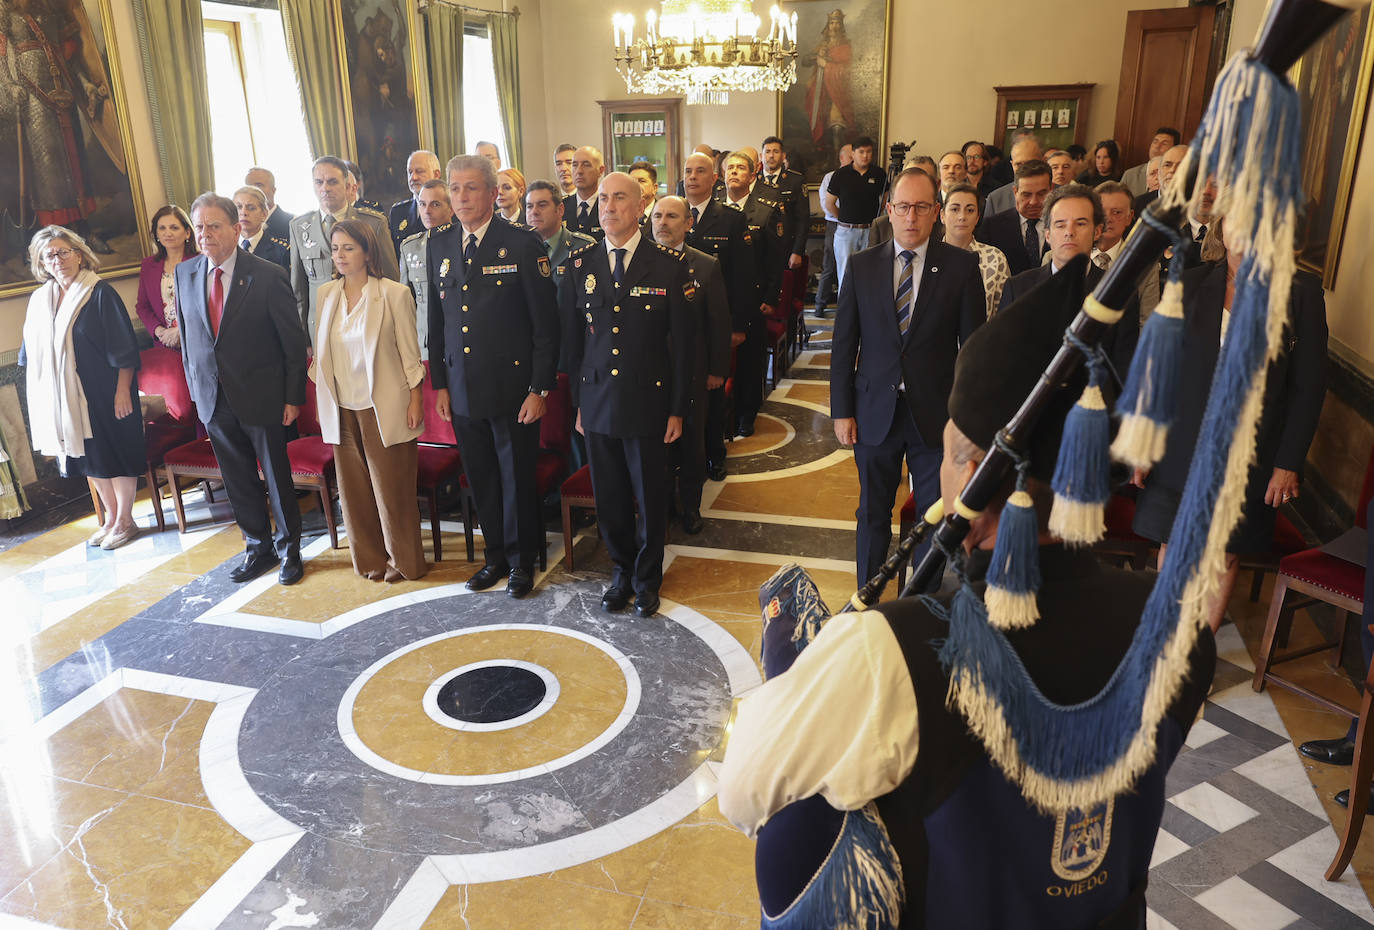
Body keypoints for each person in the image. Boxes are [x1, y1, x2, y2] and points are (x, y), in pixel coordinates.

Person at [719, 261, 1217, 927]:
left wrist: (794, 670)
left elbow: (745, 795)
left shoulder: (892, 650)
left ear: (976, 480)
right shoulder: (1182, 623)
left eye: (951, 456)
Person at [1133, 219, 1327, 633]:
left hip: (1251, 451)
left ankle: (1196, 656)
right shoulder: (1188, 284)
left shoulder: (1300, 294)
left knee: (1223, 552)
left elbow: (1308, 388)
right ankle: (1161, 642)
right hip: (1181, 442)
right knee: (1175, 542)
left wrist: (1288, 461)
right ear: (1223, 229)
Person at [829, 167, 985, 586]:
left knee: (933, 519)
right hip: (873, 410)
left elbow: (972, 351)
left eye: (921, 207)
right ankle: (867, 601)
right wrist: (841, 411)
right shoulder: (862, 266)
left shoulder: (961, 267)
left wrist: (967, 421)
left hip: (935, 417)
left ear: (936, 211)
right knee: (872, 514)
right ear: (889, 209)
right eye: (903, 207)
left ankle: (920, 605)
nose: (911, 216)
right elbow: (844, 344)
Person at [561, 173, 694, 617]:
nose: (609, 206)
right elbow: (574, 343)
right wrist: (579, 404)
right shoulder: (581, 264)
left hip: (648, 402)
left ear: (641, 206)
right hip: (598, 401)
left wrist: (677, 409)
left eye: (620, 198)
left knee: (651, 495)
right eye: (603, 198)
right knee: (610, 496)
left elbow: (682, 348)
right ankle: (621, 572)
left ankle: (647, 576)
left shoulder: (668, 266)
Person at [428, 154, 558, 598]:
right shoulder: (440, 242)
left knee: (516, 479)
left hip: (513, 390)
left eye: (471, 188)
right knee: (481, 477)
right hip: (463, 389)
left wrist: (539, 389)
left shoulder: (521, 243)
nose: (462, 198)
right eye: (456, 188)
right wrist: (440, 385)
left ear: (491, 192)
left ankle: (523, 561)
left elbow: (545, 326)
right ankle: (495, 557)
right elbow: (437, 321)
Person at [178, 193, 309, 585]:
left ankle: (290, 552)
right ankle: (258, 548)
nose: (205, 235)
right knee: (237, 479)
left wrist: (292, 397)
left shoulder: (267, 274)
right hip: (213, 399)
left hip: (263, 396)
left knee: (276, 477)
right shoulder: (185, 274)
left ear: (236, 228)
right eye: (199, 227)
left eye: (214, 226)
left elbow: (291, 343)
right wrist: (196, 392)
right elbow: (189, 341)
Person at [313, 219, 427, 583]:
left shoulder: (393, 293)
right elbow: (321, 355)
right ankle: (370, 561)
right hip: (342, 405)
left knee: (392, 491)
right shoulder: (326, 295)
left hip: (384, 405)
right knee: (354, 493)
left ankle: (405, 561)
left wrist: (415, 399)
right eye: (335, 248)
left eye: (348, 248)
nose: (340, 255)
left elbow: (411, 355)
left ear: (366, 251)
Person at [21, 226, 145, 549]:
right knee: (91, 459)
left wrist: (123, 391)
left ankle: (126, 520)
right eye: (50, 255)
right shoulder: (40, 302)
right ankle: (111, 516)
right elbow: (29, 357)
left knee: (115, 454)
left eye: (64, 252)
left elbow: (125, 348)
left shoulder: (100, 293)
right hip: (69, 398)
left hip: (108, 392)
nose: (58, 259)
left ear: (79, 254)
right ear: (42, 263)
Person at [998, 183, 1139, 381]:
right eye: (1060, 224)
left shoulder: (1121, 293)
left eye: (1080, 223)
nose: (1069, 232)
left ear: (1097, 231)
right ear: (1047, 234)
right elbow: (1002, 360)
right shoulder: (1018, 288)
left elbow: (1123, 370)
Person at [652, 195, 731, 535]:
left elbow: (718, 323)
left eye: (671, 216)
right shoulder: (643, 262)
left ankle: (691, 506)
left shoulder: (705, 265)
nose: (663, 223)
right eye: (657, 216)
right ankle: (665, 503)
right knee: (658, 444)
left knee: (691, 444)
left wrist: (716, 370)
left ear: (688, 223)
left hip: (694, 372)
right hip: (653, 373)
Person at [290, 156, 399, 348]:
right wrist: (304, 339)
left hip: (366, 324)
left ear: (348, 185)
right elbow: (299, 290)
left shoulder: (373, 224)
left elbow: (391, 281)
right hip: (320, 327)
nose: (325, 188)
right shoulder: (299, 227)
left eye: (332, 182)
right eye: (319, 182)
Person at [721, 151, 785, 438]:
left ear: (752, 175)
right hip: (721, 298)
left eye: (740, 168)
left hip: (754, 299)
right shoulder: (714, 212)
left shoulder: (766, 210)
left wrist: (771, 298)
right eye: (729, 167)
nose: (734, 172)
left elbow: (775, 260)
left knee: (750, 361)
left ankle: (747, 413)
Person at [135, 205, 198, 422]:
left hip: (196, 343)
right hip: (164, 346)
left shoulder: (200, 261)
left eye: (174, 227)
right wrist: (160, 331)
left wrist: (181, 331)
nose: (168, 233)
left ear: (187, 232)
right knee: (177, 408)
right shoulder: (148, 265)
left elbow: (208, 305)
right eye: (162, 228)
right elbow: (141, 306)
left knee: (201, 403)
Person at [823, 135, 887, 291]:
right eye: (861, 152)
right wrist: (844, 219)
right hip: (846, 232)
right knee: (845, 276)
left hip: (870, 232)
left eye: (869, 152)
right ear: (853, 153)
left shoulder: (879, 174)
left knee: (869, 275)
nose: (865, 156)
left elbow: (885, 201)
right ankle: (846, 314)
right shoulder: (840, 174)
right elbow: (829, 203)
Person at [941, 183, 1011, 320]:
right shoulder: (929, 256)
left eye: (970, 210)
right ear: (942, 215)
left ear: (978, 217)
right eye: (955, 209)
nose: (962, 216)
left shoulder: (995, 258)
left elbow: (1002, 316)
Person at [397, 179, 453, 350]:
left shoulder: (462, 244)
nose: (427, 211)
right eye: (422, 204)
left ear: (451, 208)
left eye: (435, 204)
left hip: (456, 341)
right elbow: (404, 304)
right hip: (425, 344)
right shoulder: (410, 247)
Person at [1093, 181, 1160, 319]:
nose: (1108, 219)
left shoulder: (1145, 266)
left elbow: (1146, 322)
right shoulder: (1066, 257)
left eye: (1116, 212)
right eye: (1101, 212)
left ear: (1129, 217)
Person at [979, 159, 1052, 275]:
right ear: (1015, 192)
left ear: (1051, 190)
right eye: (1026, 195)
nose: (1033, 202)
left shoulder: (1063, 226)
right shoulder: (992, 227)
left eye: (1041, 194)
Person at [526, 179, 594, 293]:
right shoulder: (519, 250)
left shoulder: (583, 248)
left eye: (542, 205)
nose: (534, 212)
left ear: (560, 210)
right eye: (529, 206)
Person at [813, 143, 853, 317]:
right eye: (850, 156)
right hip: (835, 225)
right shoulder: (831, 177)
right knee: (829, 266)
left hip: (858, 228)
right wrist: (844, 218)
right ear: (842, 158)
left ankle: (850, 307)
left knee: (855, 268)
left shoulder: (862, 177)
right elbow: (827, 205)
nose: (854, 159)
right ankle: (820, 305)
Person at [760, 136, 810, 270]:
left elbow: (803, 220)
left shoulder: (795, 181)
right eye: (768, 152)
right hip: (758, 249)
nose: (771, 156)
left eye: (776, 152)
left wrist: (797, 251)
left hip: (785, 248)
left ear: (783, 156)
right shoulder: (753, 181)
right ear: (761, 156)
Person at [389, 150, 442, 251]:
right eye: (410, 172)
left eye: (419, 171)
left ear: (436, 174)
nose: (413, 177)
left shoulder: (452, 209)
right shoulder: (398, 212)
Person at [983, 135, 1043, 216]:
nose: (1024, 169)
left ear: (1042, 162)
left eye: (1029, 163)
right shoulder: (996, 200)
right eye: (1018, 164)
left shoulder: (1061, 196)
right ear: (1012, 165)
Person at [233, 186, 290, 270]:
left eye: (251, 208)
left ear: (264, 214)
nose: (244, 212)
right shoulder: (224, 247)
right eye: (239, 207)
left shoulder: (281, 251)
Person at [1121, 127, 1180, 197]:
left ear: (1174, 149)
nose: (1157, 146)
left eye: (1164, 143)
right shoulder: (1130, 175)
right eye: (1155, 142)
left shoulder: (1177, 175)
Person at [564, 146, 606, 240]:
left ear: (601, 170)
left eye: (586, 165)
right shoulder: (561, 206)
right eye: (574, 165)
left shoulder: (608, 205)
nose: (579, 171)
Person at [246, 167, 294, 241]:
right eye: (248, 186)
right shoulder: (239, 226)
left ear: (273, 190)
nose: (252, 191)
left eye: (258, 185)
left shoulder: (292, 223)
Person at [629, 160, 659, 228]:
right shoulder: (623, 214)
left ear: (655, 188)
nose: (636, 185)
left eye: (642, 181)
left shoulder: (663, 214)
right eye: (632, 181)